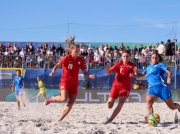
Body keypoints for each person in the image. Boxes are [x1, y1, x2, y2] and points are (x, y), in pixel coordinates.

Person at [44, 37, 95, 121]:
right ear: (71, 51)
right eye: (76, 51)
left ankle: (59, 120)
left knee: (71, 103)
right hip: (65, 81)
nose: (78, 53)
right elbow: (57, 65)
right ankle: (53, 98)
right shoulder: (67, 58)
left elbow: (84, 72)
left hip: (74, 83)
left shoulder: (80, 60)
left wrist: (89, 75)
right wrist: (53, 71)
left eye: (79, 51)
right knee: (64, 98)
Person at [136, 53, 180, 123]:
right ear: (151, 58)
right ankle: (151, 118)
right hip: (152, 89)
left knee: (172, 107)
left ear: (158, 59)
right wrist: (135, 74)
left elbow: (169, 72)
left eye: (156, 58)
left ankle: (178, 106)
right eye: (153, 57)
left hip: (162, 88)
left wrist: (168, 78)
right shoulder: (148, 67)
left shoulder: (160, 65)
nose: (154, 59)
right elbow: (141, 75)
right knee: (149, 101)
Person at [104, 50, 138, 124]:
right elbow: (109, 72)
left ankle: (110, 119)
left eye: (127, 56)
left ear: (129, 57)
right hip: (116, 85)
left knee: (121, 102)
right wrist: (107, 70)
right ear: (122, 57)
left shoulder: (132, 65)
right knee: (110, 105)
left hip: (125, 87)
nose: (125, 57)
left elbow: (136, 73)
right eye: (124, 56)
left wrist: (133, 75)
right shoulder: (118, 64)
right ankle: (109, 105)